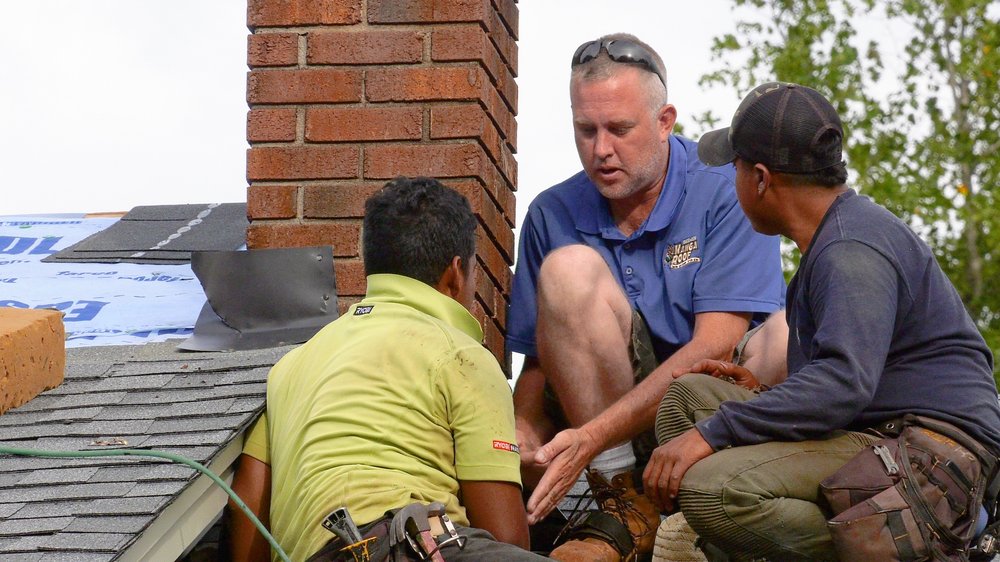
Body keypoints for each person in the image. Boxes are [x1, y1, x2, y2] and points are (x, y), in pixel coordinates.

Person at [644, 82, 1000, 560]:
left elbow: (843, 384)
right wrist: (766, 395)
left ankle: (925, 545)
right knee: (685, 399)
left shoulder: (850, 249)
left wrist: (714, 433)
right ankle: (718, 545)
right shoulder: (837, 236)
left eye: (736, 169)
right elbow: (852, 382)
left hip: (928, 462)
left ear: (762, 179)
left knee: (713, 490)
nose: (734, 182)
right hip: (882, 431)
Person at [507, 33, 785, 559]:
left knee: (789, 336)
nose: (601, 149)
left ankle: (743, 493)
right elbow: (541, 369)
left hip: (708, 414)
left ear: (665, 121)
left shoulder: (727, 186)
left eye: (619, 129)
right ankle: (623, 508)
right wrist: (521, 434)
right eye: (585, 130)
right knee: (567, 271)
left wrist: (588, 436)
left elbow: (718, 345)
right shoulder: (552, 212)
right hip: (610, 447)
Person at [222, 177, 548, 562]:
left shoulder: (292, 367)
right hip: (410, 547)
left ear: (370, 264)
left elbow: (248, 524)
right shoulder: (460, 354)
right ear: (456, 273)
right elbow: (506, 536)